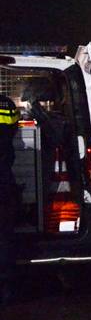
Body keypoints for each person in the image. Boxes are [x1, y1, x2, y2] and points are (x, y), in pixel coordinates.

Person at [0, 94, 18, 301]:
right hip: (3, 178)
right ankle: (7, 290)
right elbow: (14, 127)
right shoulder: (6, 104)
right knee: (4, 235)